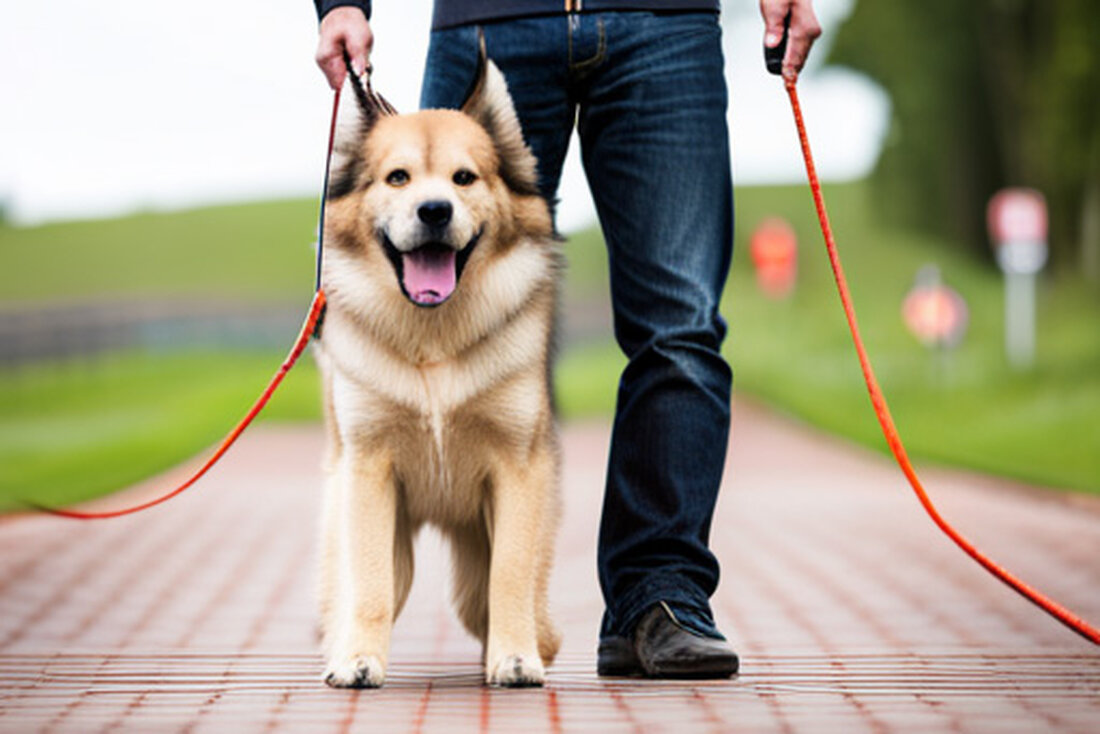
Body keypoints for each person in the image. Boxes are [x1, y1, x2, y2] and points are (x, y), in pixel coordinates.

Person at [312, 0, 820, 678]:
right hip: (488, 17)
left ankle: (661, 596)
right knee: (427, 305)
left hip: (665, 21)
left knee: (681, 326)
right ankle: (420, 611)